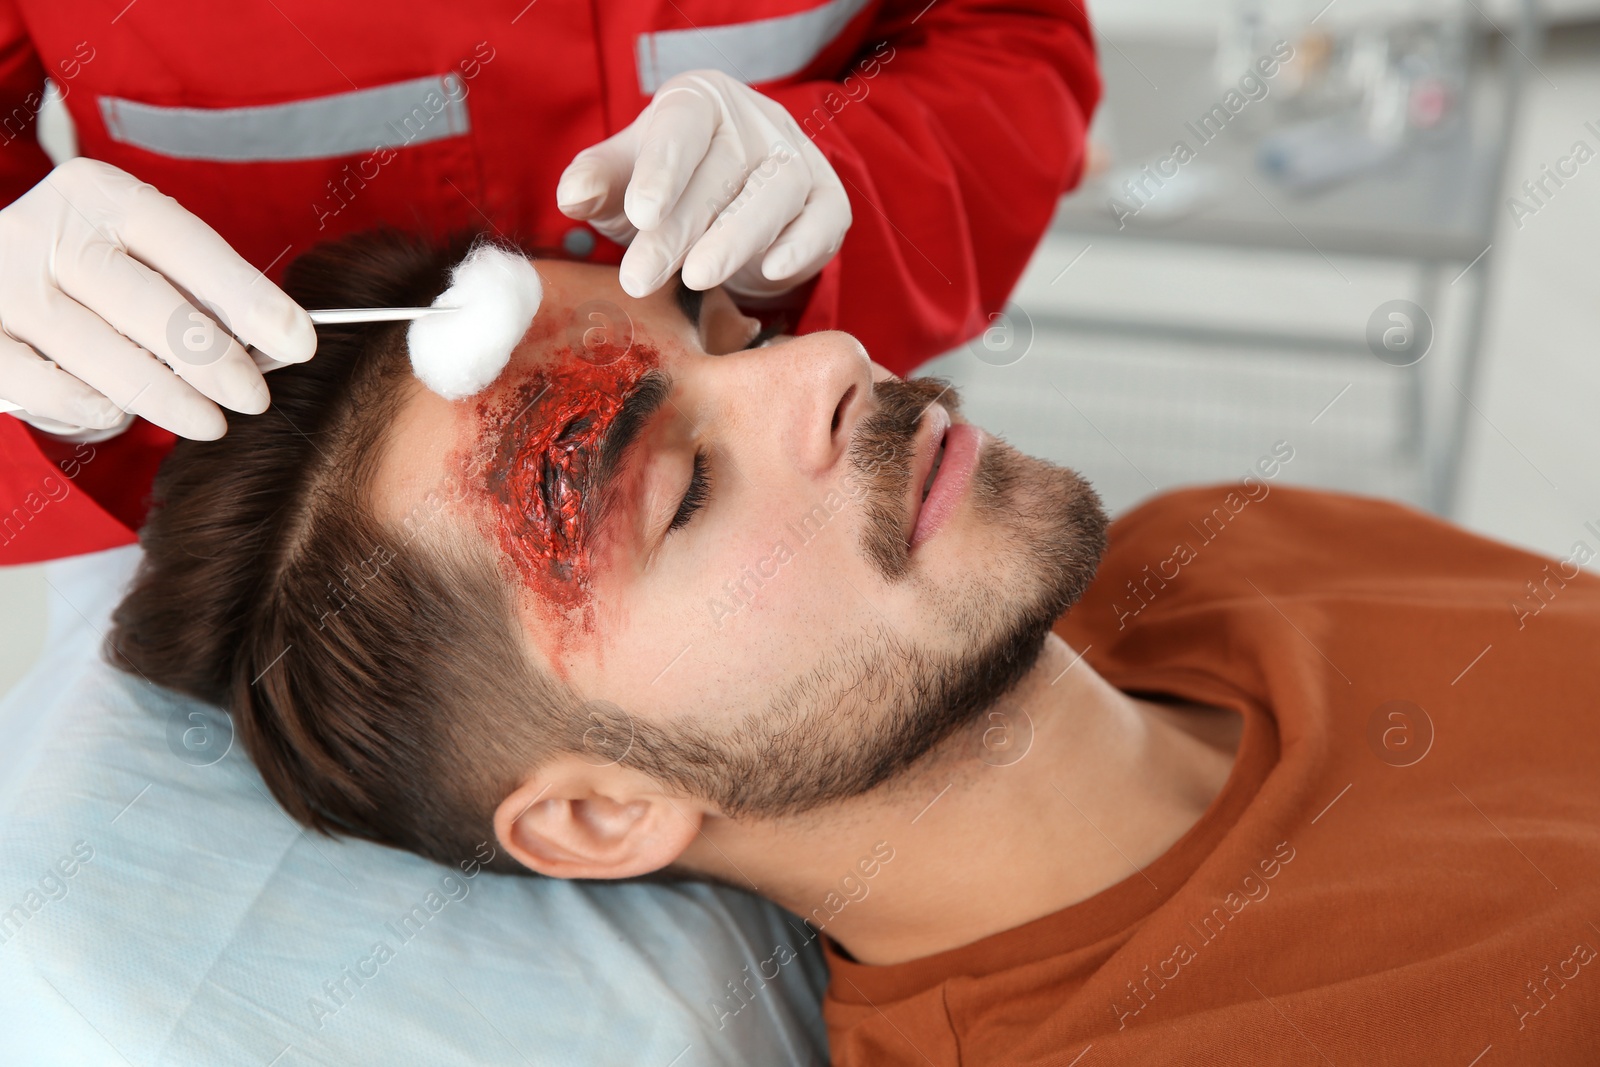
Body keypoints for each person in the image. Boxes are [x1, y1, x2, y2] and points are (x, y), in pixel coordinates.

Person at [108, 231, 1600, 1065]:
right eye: (679, 492)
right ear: (600, 811)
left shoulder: (1242, 541)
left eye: (728, 333)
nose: (828, 362)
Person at [0, 0, 1100, 564]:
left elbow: (995, 32)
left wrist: (848, 174)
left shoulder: (833, 405)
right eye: (676, 498)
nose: (834, 375)